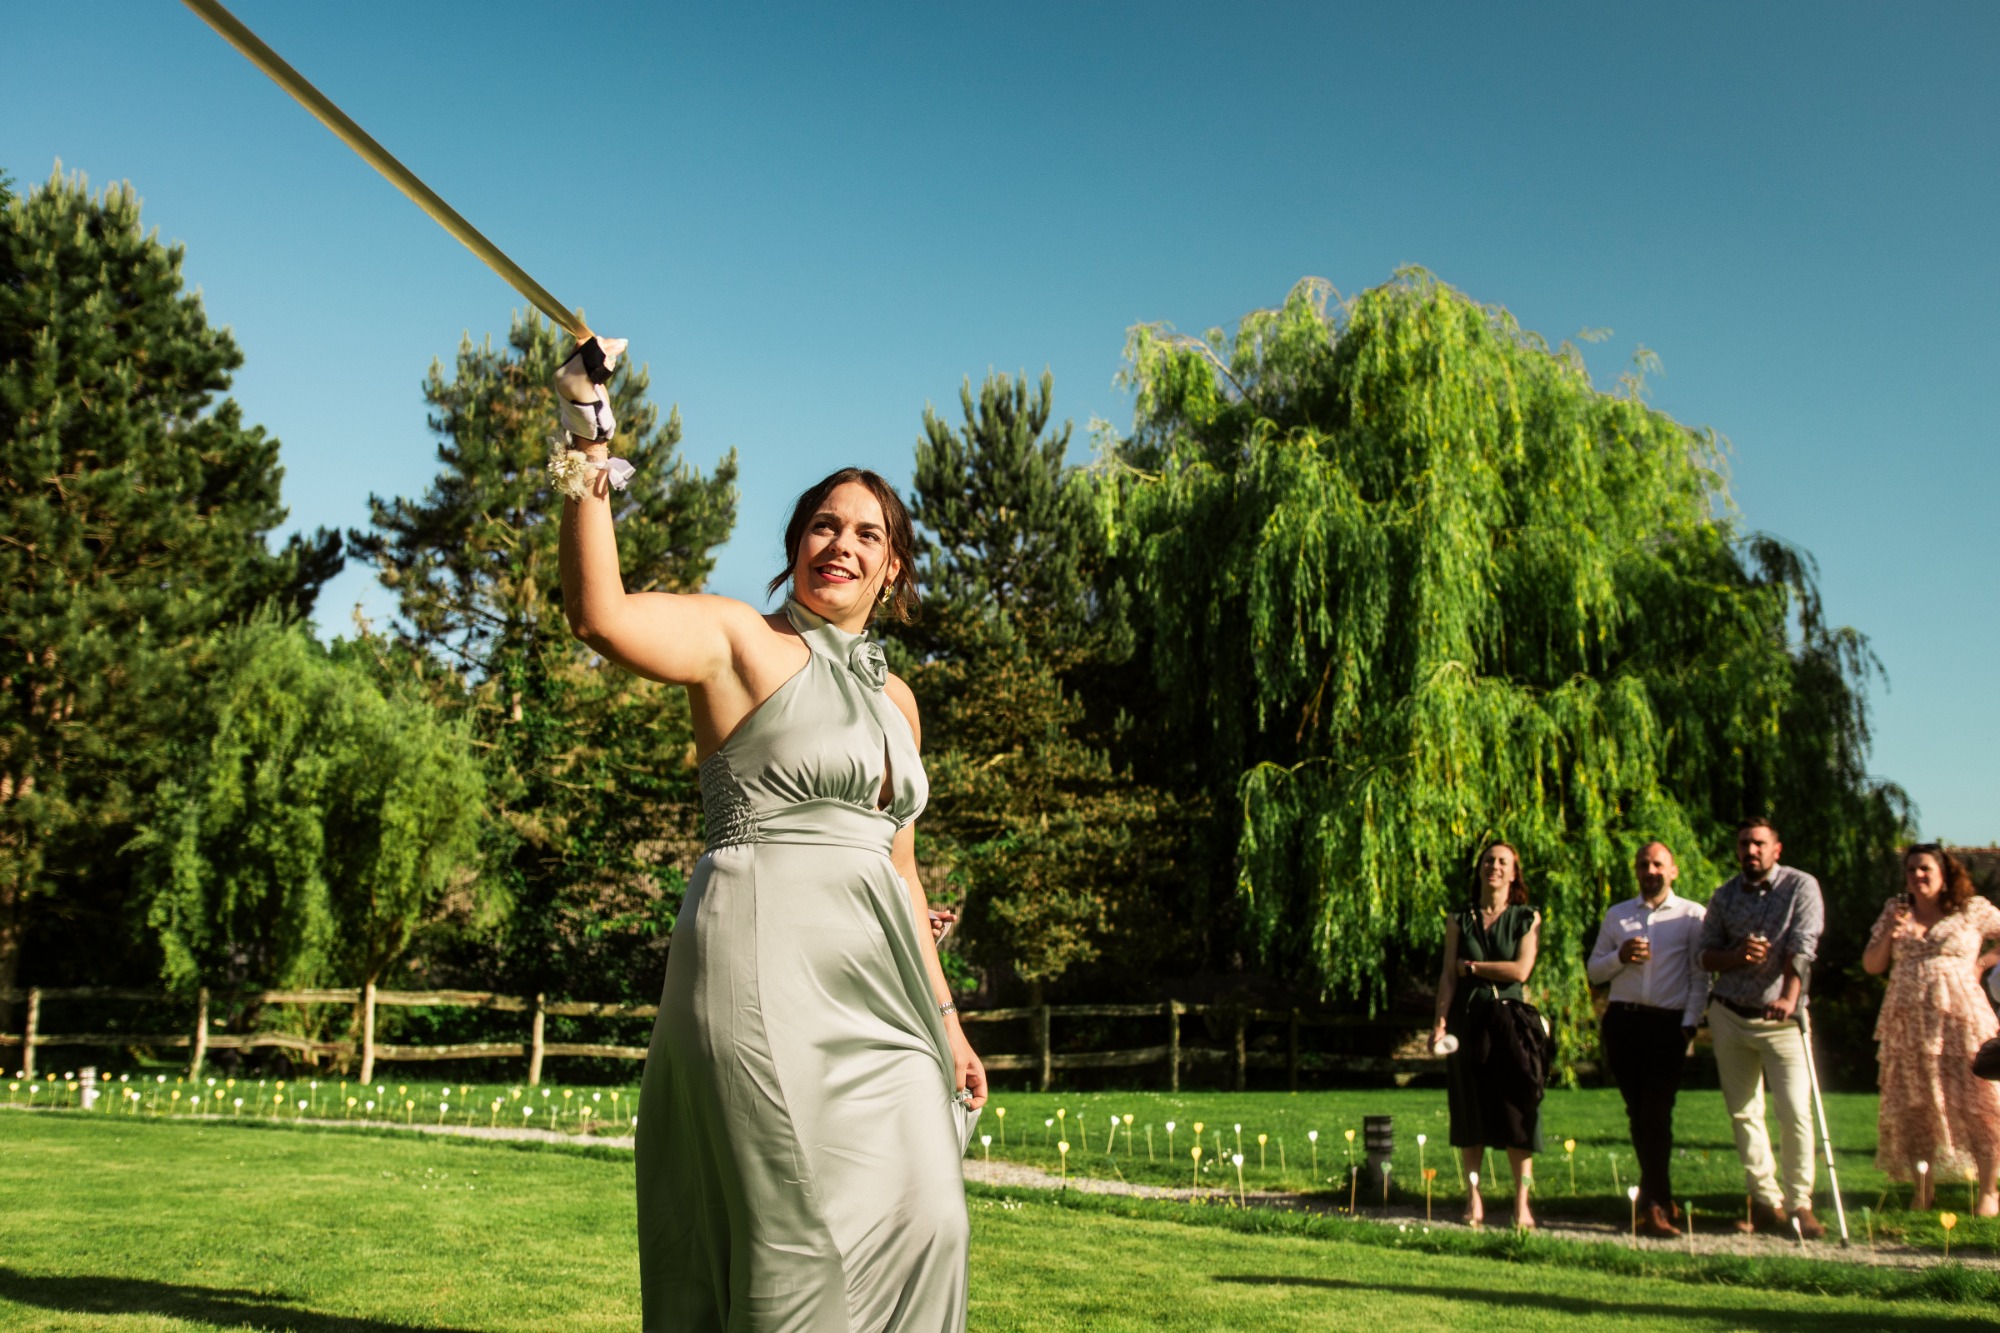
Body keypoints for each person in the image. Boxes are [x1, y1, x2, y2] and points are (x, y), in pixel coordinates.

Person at [552, 337, 984, 1331]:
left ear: (892, 567)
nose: (841, 543)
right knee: (800, 1239)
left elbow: (902, 870)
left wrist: (949, 1019)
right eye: (823, 524)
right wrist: (585, 431)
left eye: (867, 533)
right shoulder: (739, 640)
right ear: (795, 545)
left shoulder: (900, 701)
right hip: (761, 967)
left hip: (885, 992)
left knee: (933, 1220)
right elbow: (598, 614)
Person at [1698, 817, 1825, 1238]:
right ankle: (1766, 1202)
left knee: (1795, 1111)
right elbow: (1704, 955)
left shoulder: (1800, 886)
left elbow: (1803, 947)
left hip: (1783, 1019)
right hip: (1731, 1014)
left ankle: (1800, 1203)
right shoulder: (1724, 895)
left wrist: (1789, 997)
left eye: (1758, 844)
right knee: (1744, 1113)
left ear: (1776, 849)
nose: (1750, 851)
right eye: (1743, 844)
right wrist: (1737, 956)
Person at [1863, 843, 2000, 1215]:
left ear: (1945, 873)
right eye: (1911, 869)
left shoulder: (1971, 910)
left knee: (1978, 1101)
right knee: (1915, 1103)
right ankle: (1923, 1192)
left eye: (1925, 868)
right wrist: (1890, 934)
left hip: (1961, 1017)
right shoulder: (1896, 911)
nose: (1917, 876)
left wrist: (1984, 962)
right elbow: (1872, 965)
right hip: (1907, 1023)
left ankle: (1988, 1193)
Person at [1587, 842, 1708, 1238]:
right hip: (1624, 1022)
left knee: (1656, 1113)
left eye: (1658, 864)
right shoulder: (1618, 915)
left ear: (1673, 871)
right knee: (1638, 1113)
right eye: (1643, 864)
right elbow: (1594, 972)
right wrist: (1620, 956)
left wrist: (1689, 1025)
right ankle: (1658, 1200)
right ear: (1636, 870)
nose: (1650, 870)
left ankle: (1654, 1203)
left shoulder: (1692, 916)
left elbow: (1700, 977)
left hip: (1668, 1024)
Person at [1433, 841, 1545, 1228]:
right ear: (1479, 869)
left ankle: (1522, 1202)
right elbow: (1448, 974)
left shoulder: (1526, 917)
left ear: (1514, 873)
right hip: (1467, 1020)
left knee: (1519, 1106)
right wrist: (1440, 1022)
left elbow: (1520, 971)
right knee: (1469, 1107)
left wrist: (1473, 968)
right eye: (1488, 860)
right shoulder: (1459, 919)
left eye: (1502, 862)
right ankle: (1474, 1197)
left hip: (1512, 1022)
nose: (1493, 866)